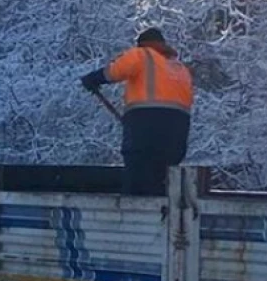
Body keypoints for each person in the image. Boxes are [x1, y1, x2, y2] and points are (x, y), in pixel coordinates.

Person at [81, 28, 194, 196]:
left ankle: (134, 211)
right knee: (163, 175)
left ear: (142, 44)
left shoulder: (142, 54)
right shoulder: (180, 68)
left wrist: (93, 78)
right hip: (178, 129)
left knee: (138, 171)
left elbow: (115, 71)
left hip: (146, 123)